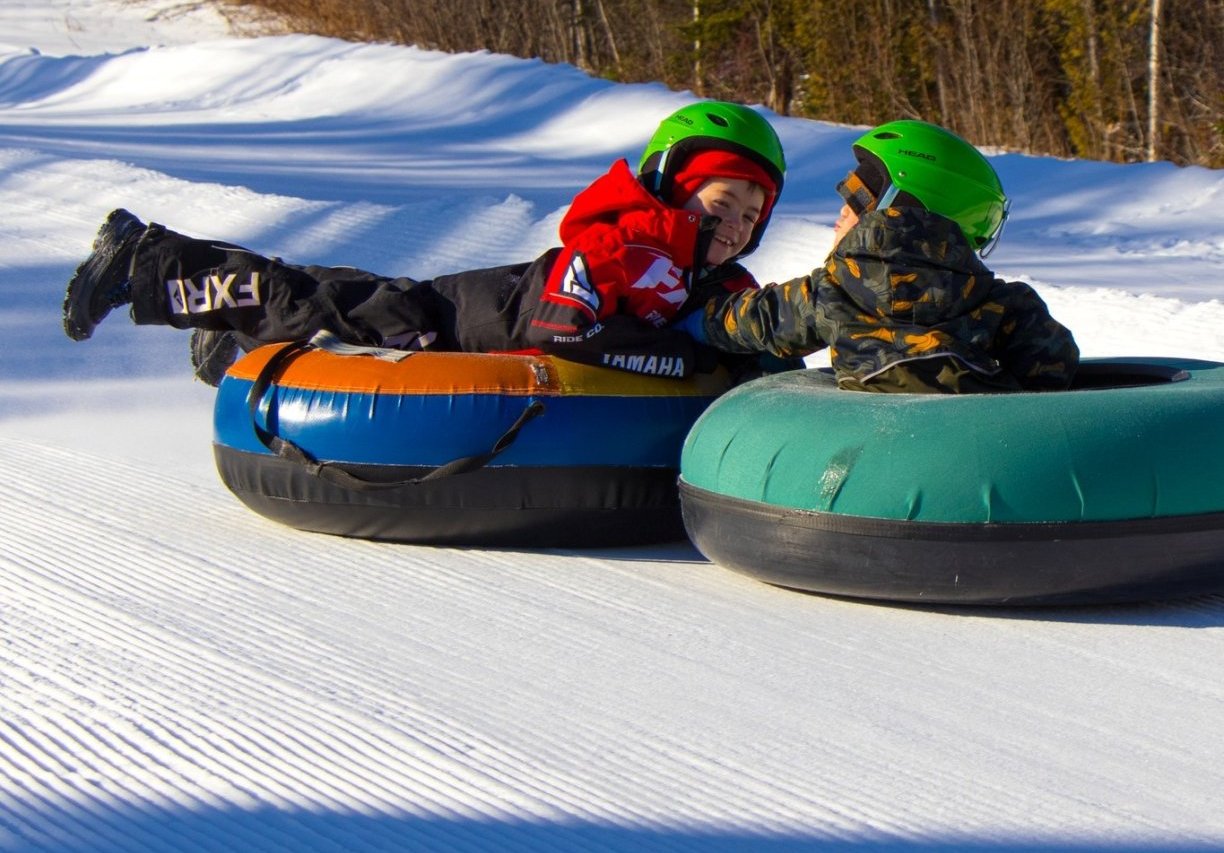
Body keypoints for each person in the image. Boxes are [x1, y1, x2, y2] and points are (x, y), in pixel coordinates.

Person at [62, 101, 789, 387]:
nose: (738, 224)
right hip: (458, 318)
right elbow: (561, 329)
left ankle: (226, 340)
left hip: (473, 320)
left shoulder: (723, 287)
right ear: (668, 186)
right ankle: (146, 260)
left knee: (337, 290)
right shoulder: (617, 248)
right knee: (320, 303)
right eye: (724, 200)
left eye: (754, 215)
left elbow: (758, 349)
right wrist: (683, 359)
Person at [680, 119, 1080, 393]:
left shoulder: (835, 291)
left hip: (869, 465)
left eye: (854, 201)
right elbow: (1053, 366)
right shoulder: (1004, 303)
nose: (839, 215)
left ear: (888, 211)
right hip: (982, 457)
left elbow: (753, 320)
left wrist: (692, 321)